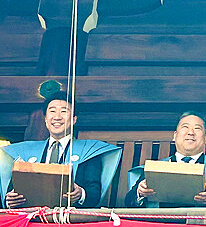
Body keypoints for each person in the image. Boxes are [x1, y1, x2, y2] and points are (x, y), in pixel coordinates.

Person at [0, 80, 121, 209]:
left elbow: (94, 194)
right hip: (32, 216)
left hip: (70, 218)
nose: (57, 117)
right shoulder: (24, 152)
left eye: (64, 111)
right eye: (52, 111)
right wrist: (9, 201)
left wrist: (80, 194)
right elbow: (12, 191)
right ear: (45, 119)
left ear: (74, 120)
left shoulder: (89, 151)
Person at [124, 112, 206, 208]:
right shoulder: (154, 168)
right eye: (185, 127)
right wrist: (140, 192)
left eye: (197, 128)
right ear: (175, 136)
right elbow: (129, 202)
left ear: (205, 138)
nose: (191, 132)